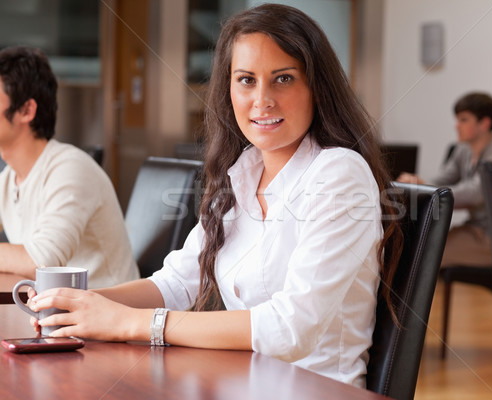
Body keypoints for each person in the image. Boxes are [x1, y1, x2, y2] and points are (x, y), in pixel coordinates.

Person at [28, 4, 404, 388]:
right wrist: (80, 307)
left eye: (283, 79)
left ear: (316, 88)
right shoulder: (244, 170)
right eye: (246, 80)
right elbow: (175, 284)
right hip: (242, 383)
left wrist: (134, 323)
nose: (262, 100)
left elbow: (292, 328)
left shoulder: (339, 173)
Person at [0, 46, 139, 287]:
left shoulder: (70, 168)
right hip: (56, 313)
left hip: (109, 316)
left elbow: (42, 262)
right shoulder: (9, 177)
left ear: (26, 110)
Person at [397, 92, 492, 267]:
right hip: (473, 229)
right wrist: (418, 183)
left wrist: (423, 187)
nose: (456, 126)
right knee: (416, 244)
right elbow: (441, 179)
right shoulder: (464, 150)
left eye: (463, 120)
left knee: (423, 252)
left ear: (484, 123)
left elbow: (474, 194)